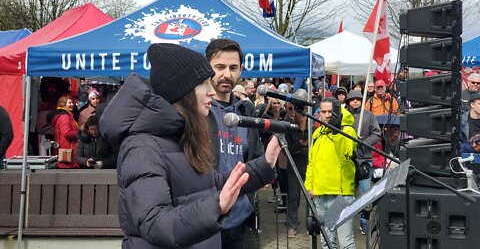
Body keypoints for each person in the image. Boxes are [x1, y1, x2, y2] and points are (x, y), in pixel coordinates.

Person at [99, 43, 281, 249]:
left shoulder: (181, 135)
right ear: (183, 91)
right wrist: (215, 207)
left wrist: (264, 165)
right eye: (204, 83)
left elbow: (209, 184)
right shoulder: (142, 146)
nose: (212, 91)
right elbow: (154, 223)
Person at [205, 39, 274, 249]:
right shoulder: (198, 111)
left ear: (241, 70)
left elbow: (254, 157)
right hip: (205, 220)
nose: (227, 74)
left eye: (233, 67)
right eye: (220, 67)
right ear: (208, 67)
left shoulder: (246, 111)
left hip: (240, 221)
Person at [305, 98, 357, 249]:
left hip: (339, 196)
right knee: (327, 241)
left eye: (331, 111)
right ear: (319, 113)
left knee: (345, 242)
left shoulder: (348, 130)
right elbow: (312, 162)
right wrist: (309, 186)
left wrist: (336, 131)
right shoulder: (317, 133)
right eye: (324, 112)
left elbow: (345, 155)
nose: (327, 115)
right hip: (320, 194)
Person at [345, 90, 382, 235]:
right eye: (352, 99)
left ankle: (364, 222)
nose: (355, 101)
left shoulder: (369, 115)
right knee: (347, 194)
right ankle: (345, 222)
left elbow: (377, 133)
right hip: (348, 160)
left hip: (365, 159)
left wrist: (364, 142)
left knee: (366, 193)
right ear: (348, 101)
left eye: (358, 99)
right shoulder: (343, 115)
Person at [285, 90, 309, 238]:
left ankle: (310, 224)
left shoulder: (312, 125)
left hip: (309, 166)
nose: (299, 112)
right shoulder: (289, 126)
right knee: (293, 197)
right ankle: (292, 225)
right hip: (293, 167)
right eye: (295, 108)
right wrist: (300, 145)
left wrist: (305, 126)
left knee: (310, 198)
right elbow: (287, 149)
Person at [51, 96, 79, 169]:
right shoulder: (65, 117)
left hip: (64, 148)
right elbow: (66, 133)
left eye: (72, 102)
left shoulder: (63, 116)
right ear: (63, 104)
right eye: (69, 103)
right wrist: (79, 134)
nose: (72, 104)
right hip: (67, 149)